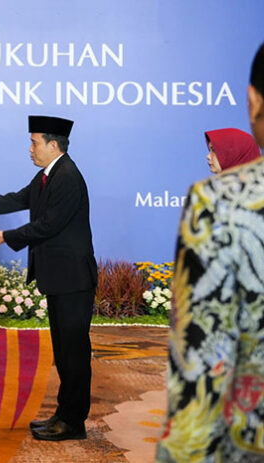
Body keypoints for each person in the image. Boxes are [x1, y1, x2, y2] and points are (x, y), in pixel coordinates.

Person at [0, 115, 96, 441]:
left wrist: (5, 236)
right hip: (60, 278)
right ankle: (64, 414)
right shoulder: (47, 175)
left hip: (73, 279)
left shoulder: (68, 177)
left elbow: (49, 225)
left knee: (74, 352)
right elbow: (16, 199)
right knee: (64, 351)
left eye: (34, 142)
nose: (30, 149)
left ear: (53, 145)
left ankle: (73, 421)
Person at [156, 42, 264, 461]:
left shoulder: (216, 201)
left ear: (253, 100)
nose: (208, 158)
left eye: (215, 151)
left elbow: (202, 349)